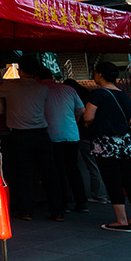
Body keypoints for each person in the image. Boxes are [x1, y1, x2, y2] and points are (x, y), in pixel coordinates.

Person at [0, 56, 65, 221]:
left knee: (22, 173)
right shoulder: (43, 89)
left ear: (19, 70)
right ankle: (58, 210)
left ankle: (25, 210)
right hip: (41, 133)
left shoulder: (10, 86)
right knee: (49, 173)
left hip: (20, 135)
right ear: (36, 72)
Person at [83, 61, 131, 232]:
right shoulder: (125, 96)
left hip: (106, 142)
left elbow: (87, 117)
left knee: (112, 179)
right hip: (126, 142)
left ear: (99, 74)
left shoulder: (98, 94)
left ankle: (121, 220)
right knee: (130, 180)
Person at [38, 69, 88, 213]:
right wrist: (73, 120)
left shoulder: (41, 90)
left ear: (37, 77)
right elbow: (81, 110)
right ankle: (81, 202)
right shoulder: (69, 89)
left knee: (57, 170)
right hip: (72, 134)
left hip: (52, 134)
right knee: (73, 168)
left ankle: (63, 202)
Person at [65, 78, 109, 204]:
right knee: (100, 165)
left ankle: (99, 195)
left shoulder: (77, 98)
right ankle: (105, 193)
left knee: (92, 166)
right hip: (99, 135)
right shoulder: (90, 95)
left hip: (85, 135)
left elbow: (84, 115)